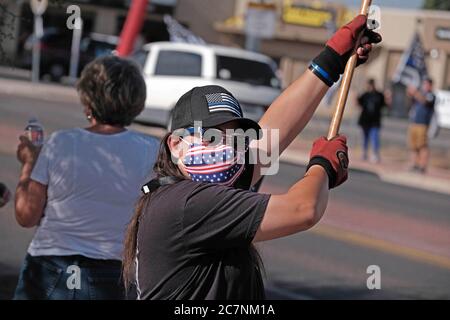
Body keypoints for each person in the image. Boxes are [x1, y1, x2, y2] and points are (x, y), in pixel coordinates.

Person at [122, 15, 381, 299]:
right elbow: (303, 209)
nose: (225, 146)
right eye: (210, 136)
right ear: (176, 144)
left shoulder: (205, 188)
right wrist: (322, 166)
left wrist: (332, 61)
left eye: (234, 137)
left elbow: (271, 135)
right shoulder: (187, 203)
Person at [14, 56, 159, 300]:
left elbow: (26, 216)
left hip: (48, 267)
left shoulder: (60, 142)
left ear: (87, 100)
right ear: (137, 102)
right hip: (112, 273)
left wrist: (29, 163)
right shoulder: (151, 150)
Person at [407, 78, 436, 173]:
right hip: (414, 123)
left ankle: (422, 166)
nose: (424, 86)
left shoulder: (431, 95)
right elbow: (411, 101)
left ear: (430, 85)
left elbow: (425, 101)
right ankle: (413, 164)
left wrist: (415, 93)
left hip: (423, 125)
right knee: (413, 146)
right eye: (424, 84)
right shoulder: (420, 94)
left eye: (426, 84)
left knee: (422, 146)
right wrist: (410, 93)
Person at [357, 79, 386, 163]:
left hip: (375, 121)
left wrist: (388, 99)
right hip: (365, 120)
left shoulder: (379, 95)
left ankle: (375, 154)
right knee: (365, 138)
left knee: (375, 137)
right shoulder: (365, 95)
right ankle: (364, 153)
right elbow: (359, 103)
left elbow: (384, 105)